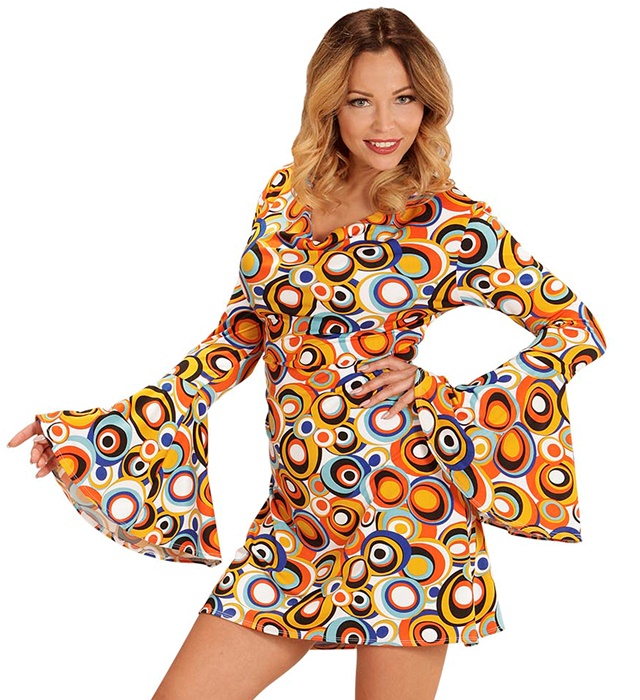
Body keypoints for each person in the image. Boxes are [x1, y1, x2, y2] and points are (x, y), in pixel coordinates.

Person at [7, 7, 606, 700]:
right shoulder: (283, 198)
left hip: (410, 521)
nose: (386, 123)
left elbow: (576, 328)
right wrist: (100, 437)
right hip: (295, 522)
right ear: (329, 105)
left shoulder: (451, 222)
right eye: (361, 101)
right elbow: (240, 335)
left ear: (428, 106)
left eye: (404, 99)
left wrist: (437, 394)